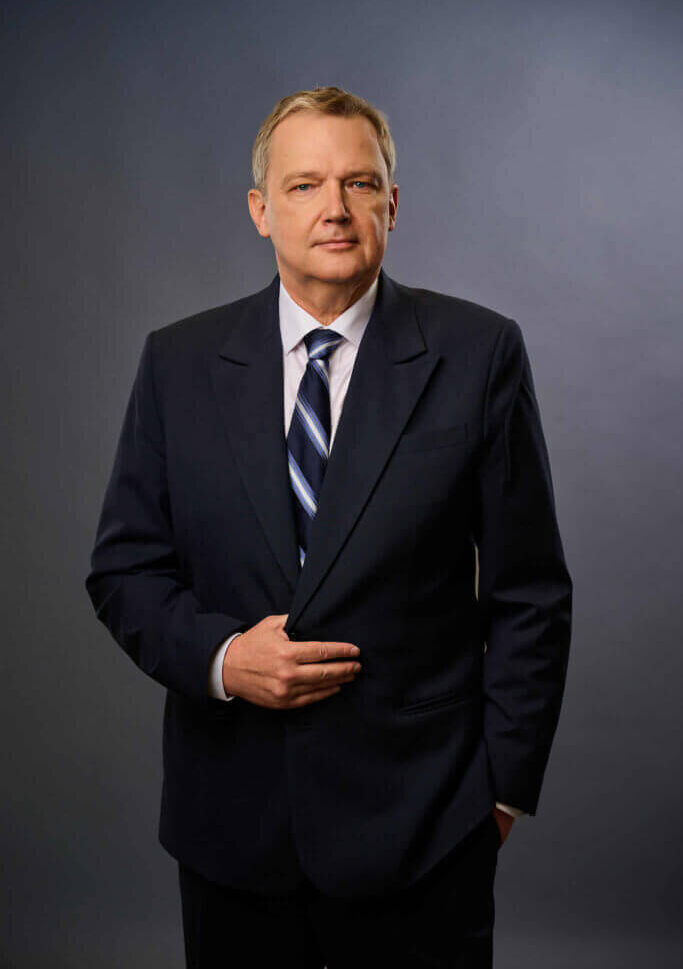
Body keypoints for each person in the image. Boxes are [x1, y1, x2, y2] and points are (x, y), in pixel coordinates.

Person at [85, 85, 572, 968]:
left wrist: (499, 794)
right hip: (231, 824)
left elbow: (529, 592)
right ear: (260, 210)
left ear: (393, 204)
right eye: (305, 185)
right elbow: (125, 571)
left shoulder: (477, 353)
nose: (335, 209)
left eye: (360, 183)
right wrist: (226, 659)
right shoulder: (178, 362)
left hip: (424, 826)